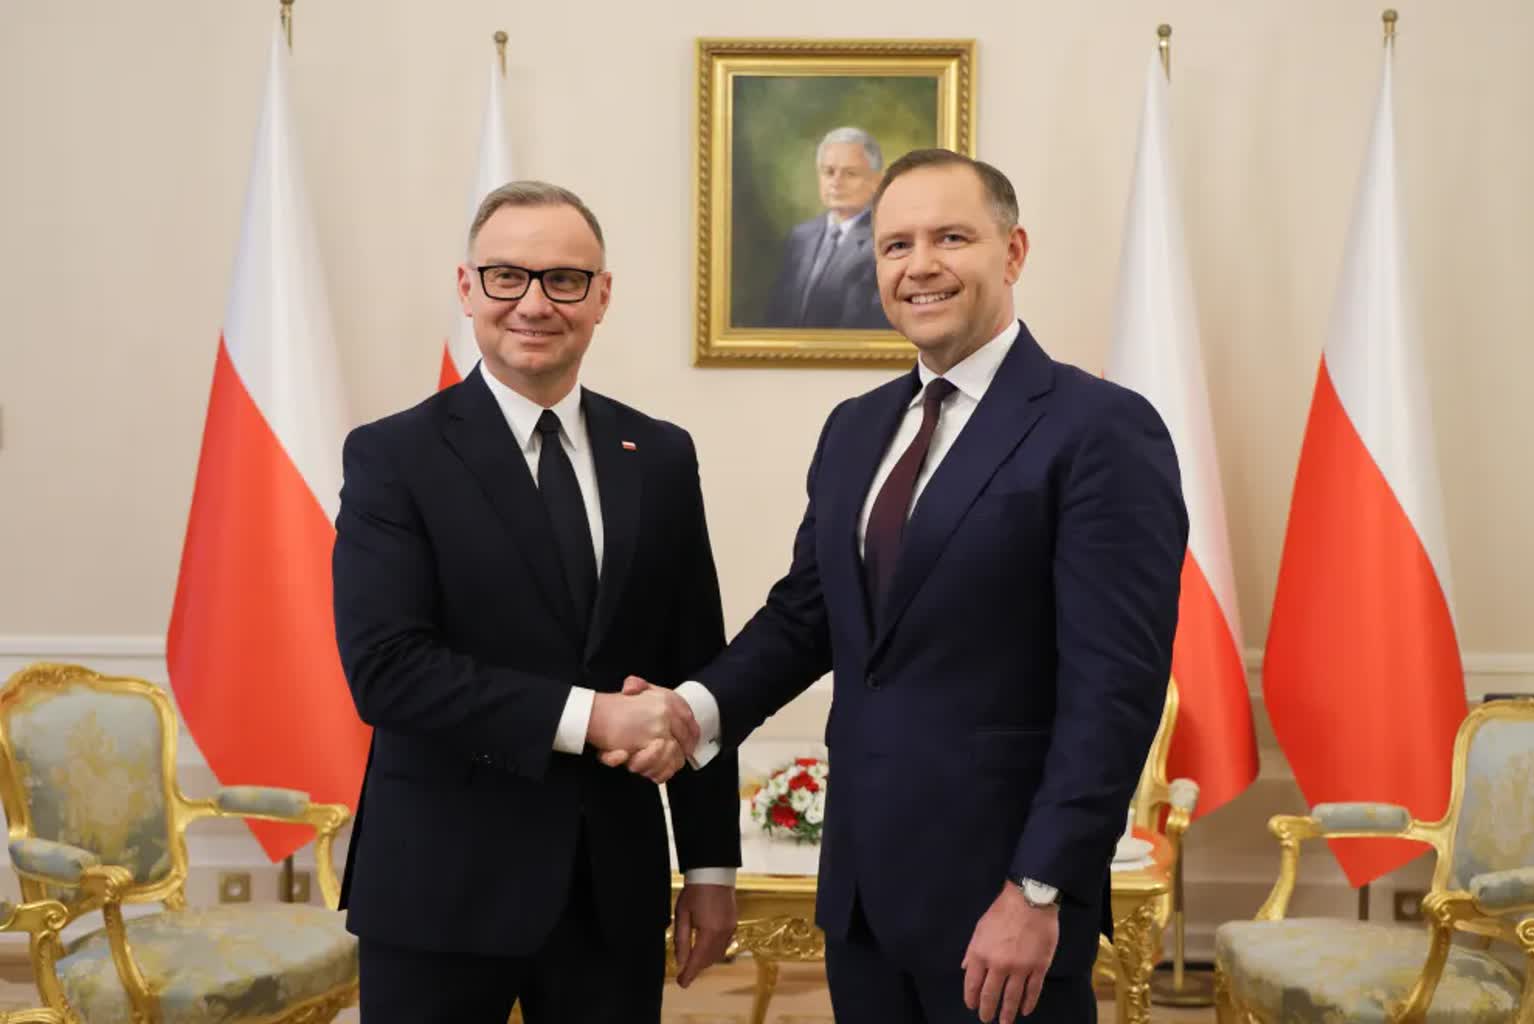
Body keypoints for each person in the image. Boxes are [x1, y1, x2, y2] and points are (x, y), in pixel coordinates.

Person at [618, 150, 1187, 1023]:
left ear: (1013, 251)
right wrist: (692, 709)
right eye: (894, 245)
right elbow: (807, 617)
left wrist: (1039, 887)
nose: (919, 265)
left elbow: (1113, 690)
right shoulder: (854, 429)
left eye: (950, 238)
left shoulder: (1100, 429)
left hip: (1003, 904)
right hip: (863, 896)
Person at [331, 180, 740, 1022]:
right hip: (438, 884)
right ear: (467, 287)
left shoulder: (660, 456)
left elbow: (696, 666)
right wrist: (594, 718)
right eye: (507, 276)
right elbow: (387, 672)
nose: (533, 303)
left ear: (601, 296)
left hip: (609, 889)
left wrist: (709, 867)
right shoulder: (393, 456)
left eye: (563, 279)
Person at [762, 126, 892, 330]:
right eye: (829, 172)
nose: (836, 182)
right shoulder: (800, 237)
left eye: (850, 173)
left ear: (876, 180)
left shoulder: (886, 241)